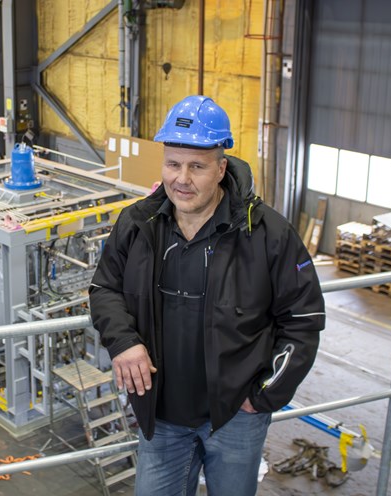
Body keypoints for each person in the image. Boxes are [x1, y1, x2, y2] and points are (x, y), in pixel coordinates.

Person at [89, 96, 325, 495]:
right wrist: (124, 343)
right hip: (160, 418)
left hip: (236, 418)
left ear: (221, 168)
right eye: (173, 164)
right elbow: (104, 288)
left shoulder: (269, 234)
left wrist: (263, 396)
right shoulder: (137, 223)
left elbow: (302, 322)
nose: (182, 179)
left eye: (197, 166)